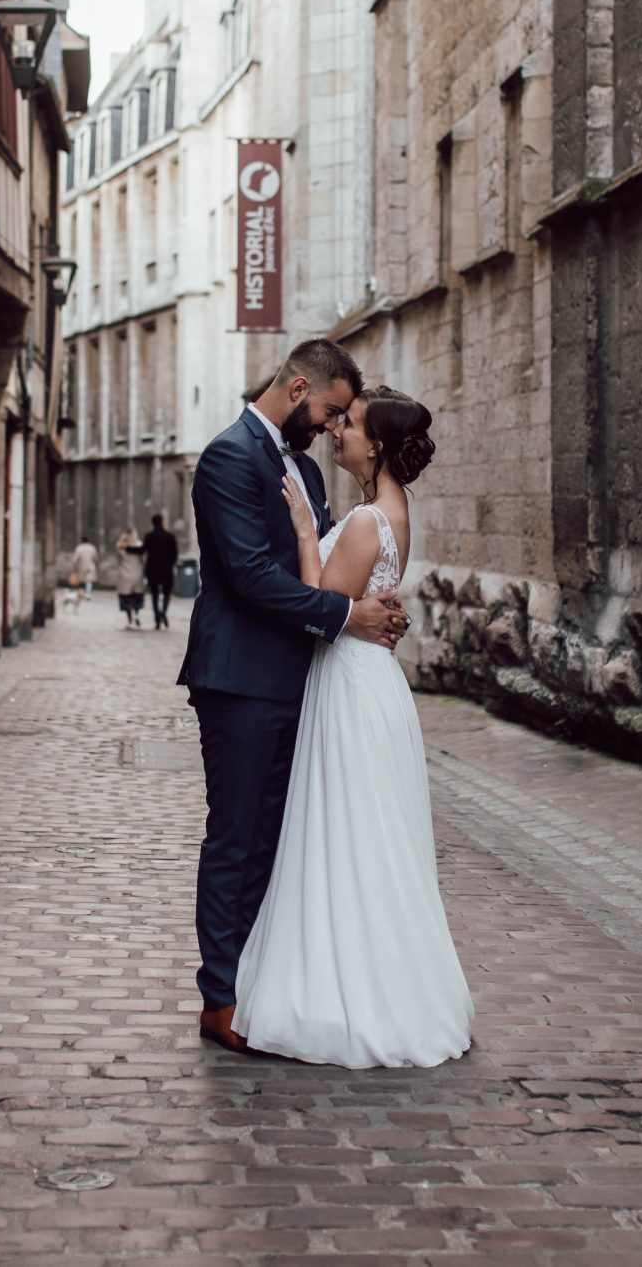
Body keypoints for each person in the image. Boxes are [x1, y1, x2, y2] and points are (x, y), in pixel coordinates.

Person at [177, 337, 408, 1055]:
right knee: (236, 837)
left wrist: (365, 607)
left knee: (277, 845)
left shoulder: (304, 468)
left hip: (301, 681)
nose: (333, 426)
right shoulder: (226, 456)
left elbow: (318, 574)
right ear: (299, 384)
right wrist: (349, 617)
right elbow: (248, 575)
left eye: (344, 418)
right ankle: (220, 998)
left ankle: (259, 983)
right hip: (240, 679)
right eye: (331, 410)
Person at [232, 385, 470, 1067]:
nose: (339, 431)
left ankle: (348, 996)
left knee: (346, 832)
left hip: (349, 684)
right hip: (376, 684)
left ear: (379, 446)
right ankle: (391, 984)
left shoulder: (366, 520)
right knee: (373, 837)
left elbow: (320, 603)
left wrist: (308, 533)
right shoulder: (395, 510)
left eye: (353, 424)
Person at [141, 513, 181, 630]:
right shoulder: (170, 536)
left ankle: (157, 617)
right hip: (166, 569)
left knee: (154, 595)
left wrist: (127, 547)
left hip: (152, 569)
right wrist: (170, 564)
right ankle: (163, 612)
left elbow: (143, 550)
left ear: (152, 523)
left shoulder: (149, 536)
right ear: (162, 521)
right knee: (167, 593)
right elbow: (175, 554)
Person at [115, 532, 146, 629]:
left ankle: (129, 620)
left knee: (126, 598)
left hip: (125, 575)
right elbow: (143, 560)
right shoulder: (139, 548)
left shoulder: (122, 550)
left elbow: (118, 559)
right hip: (138, 574)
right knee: (136, 597)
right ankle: (136, 614)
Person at [63, 537, 98, 613]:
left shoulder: (79, 548)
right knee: (89, 581)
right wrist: (95, 563)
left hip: (81, 566)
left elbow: (75, 559)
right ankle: (88, 594)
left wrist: (74, 567)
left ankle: (80, 593)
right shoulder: (92, 547)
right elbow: (95, 558)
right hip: (90, 566)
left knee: (81, 581)